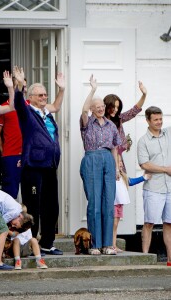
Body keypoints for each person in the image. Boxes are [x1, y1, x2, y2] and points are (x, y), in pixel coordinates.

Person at [13, 66, 65, 255]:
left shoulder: (47, 114)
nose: (44, 98)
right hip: (33, 166)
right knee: (33, 206)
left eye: (45, 95)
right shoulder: (27, 113)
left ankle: (47, 243)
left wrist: (62, 89)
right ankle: (32, 244)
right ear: (32, 97)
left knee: (52, 206)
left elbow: (56, 107)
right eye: (40, 95)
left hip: (50, 166)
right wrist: (19, 85)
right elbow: (18, 103)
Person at [80, 74, 121, 255]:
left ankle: (107, 245)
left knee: (108, 202)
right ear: (92, 109)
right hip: (91, 159)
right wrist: (93, 90)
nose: (101, 109)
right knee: (94, 202)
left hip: (108, 160)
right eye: (97, 107)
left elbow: (114, 148)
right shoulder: (87, 123)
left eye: (102, 107)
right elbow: (83, 110)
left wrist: (117, 167)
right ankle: (94, 245)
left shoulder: (111, 125)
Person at [137, 106, 171, 266]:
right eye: (156, 119)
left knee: (169, 224)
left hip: (170, 188)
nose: (159, 122)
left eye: (161, 119)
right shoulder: (143, 141)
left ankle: (170, 260)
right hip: (153, 189)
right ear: (148, 121)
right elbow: (144, 164)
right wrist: (165, 169)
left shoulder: (168, 134)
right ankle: (145, 258)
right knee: (149, 223)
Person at [0, 77, 29, 199]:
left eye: (24, 86)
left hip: (29, 154)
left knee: (30, 190)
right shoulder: (4, 107)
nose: (23, 89)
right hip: (10, 154)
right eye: (20, 86)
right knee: (10, 193)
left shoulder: (30, 106)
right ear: (13, 87)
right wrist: (3, 151)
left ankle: (27, 218)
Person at [103, 81, 147, 170]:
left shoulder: (119, 119)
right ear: (107, 106)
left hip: (118, 159)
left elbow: (134, 111)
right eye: (113, 107)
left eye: (117, 107)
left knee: (122, 182)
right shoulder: (99, 122)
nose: (116, 110)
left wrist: (144, 95)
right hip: (103, 158)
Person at [113, 155, 152, 252]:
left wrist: (143, 177)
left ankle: (113, 245)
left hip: (119, 204)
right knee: (113, 225)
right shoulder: (111, 175)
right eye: (118, 162)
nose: (121, 164)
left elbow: (130, 181)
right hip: (112, 204)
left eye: (121, 161)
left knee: (116, 224)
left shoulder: (122, 175)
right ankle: (111, 245)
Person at [8, 205, 48, 270]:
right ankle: (17, 260)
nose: (14, 226)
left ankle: (39, 260)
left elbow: (29, 239)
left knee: (33, 240)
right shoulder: (10, 226)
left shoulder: (27, 228)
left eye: (15, 225)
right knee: (16, 240)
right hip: (14, 249)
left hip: (25, 249)